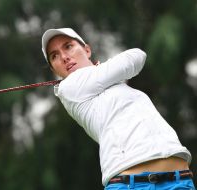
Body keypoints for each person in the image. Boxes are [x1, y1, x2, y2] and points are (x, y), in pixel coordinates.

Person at [41, 28, 195, 189]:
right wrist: (100, 69)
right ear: (54, 69)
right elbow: (133, 59)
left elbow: (138, 56)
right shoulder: (69, 88)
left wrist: (101, 71)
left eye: (68, 46)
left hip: (179, 180)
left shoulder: (113, 84)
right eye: (54, 56)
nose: (64, 57)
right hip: (130, 185)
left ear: (87, 50)